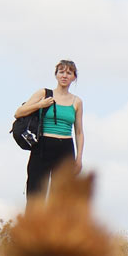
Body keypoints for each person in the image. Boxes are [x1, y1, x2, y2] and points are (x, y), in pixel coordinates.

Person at [14, 60, 84, 205]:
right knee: (36, 192)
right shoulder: (44, 93)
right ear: (56, 75)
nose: (64, 76)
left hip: (65, 147)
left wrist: (79, 158)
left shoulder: (77, 102)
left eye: (69, 73)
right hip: (43, 145)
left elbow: (79, 131)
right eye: (61, 72)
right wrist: (40, 105)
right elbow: (18, 113)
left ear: (74, 77)